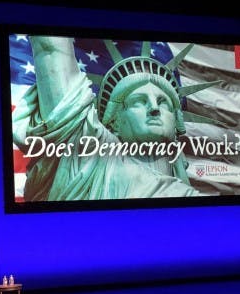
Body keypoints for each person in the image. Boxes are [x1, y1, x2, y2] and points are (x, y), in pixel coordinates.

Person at [11, 34, 223, 200]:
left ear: (177, 122)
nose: (154, 109)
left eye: (163, 102)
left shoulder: (196, 202)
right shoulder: (88, 162)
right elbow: (50, 49)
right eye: (139, 101)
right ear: (114, 122)